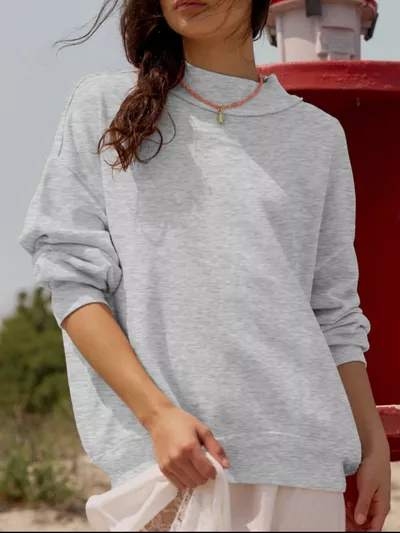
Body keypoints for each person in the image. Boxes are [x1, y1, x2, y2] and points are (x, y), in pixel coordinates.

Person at [19, 0, 391, 530]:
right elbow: (72, 280)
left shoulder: (318, 136)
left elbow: (334, 314)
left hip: (305, 465)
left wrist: (373, 445)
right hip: (170, 468)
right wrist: (157, 416)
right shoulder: (104, 106)